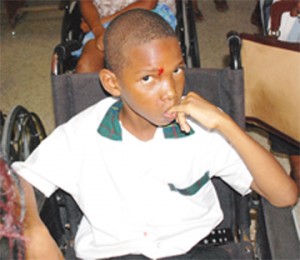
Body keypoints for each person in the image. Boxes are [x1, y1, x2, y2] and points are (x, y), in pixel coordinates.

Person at [12, 9, 298, 259]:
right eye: (148, 78)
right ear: (113, 83)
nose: (170, 91)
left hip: (197, 251)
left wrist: (227, 124)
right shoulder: (82, 135)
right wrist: (33, 230)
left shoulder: (204, 131)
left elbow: (285, 196)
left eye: (177, 70)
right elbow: (21, 183)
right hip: (116, 254)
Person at [75, 0, 177, 73]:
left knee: (137, 60)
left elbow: (148, 3)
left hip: (146, 14)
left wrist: (103, 22)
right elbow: (86, 2)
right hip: (101, 24)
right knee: (87, 64)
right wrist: (97, 29)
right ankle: (93, 101)